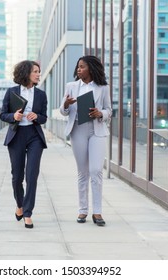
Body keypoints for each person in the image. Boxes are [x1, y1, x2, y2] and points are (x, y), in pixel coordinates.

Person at [59, 55, 111, 226]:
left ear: (91, 69)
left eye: (82, 67)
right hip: (78, 130)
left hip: (96, 130)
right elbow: (63, 112)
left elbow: (109, 110)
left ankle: (97, 212)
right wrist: (66, 105)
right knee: (83, 172)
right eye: (78, 67)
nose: (78, 70)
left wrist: (100, 113)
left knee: (96, 170)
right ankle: (82, 211)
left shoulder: (103, 87)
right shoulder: (71, 86)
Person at [0, 60, 48, 229]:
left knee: (32, 175)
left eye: (39, 71)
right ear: (26, 73)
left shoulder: (41, 95)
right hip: (17, 135)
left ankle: (28, 212)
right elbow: (2, 114)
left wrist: (37, 116)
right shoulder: (12, 92)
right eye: (35, 71)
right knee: (17, 177)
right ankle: (19, 205)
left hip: (34, 136)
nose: (38, 74)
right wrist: (14, 116)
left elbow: (44, 117)